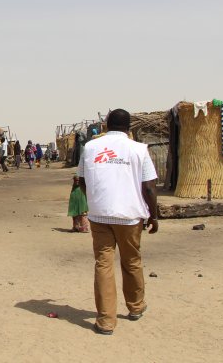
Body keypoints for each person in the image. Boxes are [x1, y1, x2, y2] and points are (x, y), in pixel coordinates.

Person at [78, 108, 158, 336]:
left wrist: (93, 200)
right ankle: (136, 307)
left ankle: (105, 321)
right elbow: (150, 187)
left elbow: (82, 180)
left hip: (100, 215)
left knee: (103, 264)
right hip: (130, 216)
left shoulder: (90, 148)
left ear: (105, 125)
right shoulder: (139, 149)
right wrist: (154, 215)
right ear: (129, 127)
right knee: (131, 261)